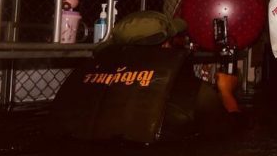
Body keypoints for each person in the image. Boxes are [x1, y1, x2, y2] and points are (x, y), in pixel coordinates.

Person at [100, 10, 244, 138]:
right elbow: (232, 134)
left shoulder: (96, 84)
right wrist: (226, 93)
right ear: (166, 45)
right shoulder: (194, 93)